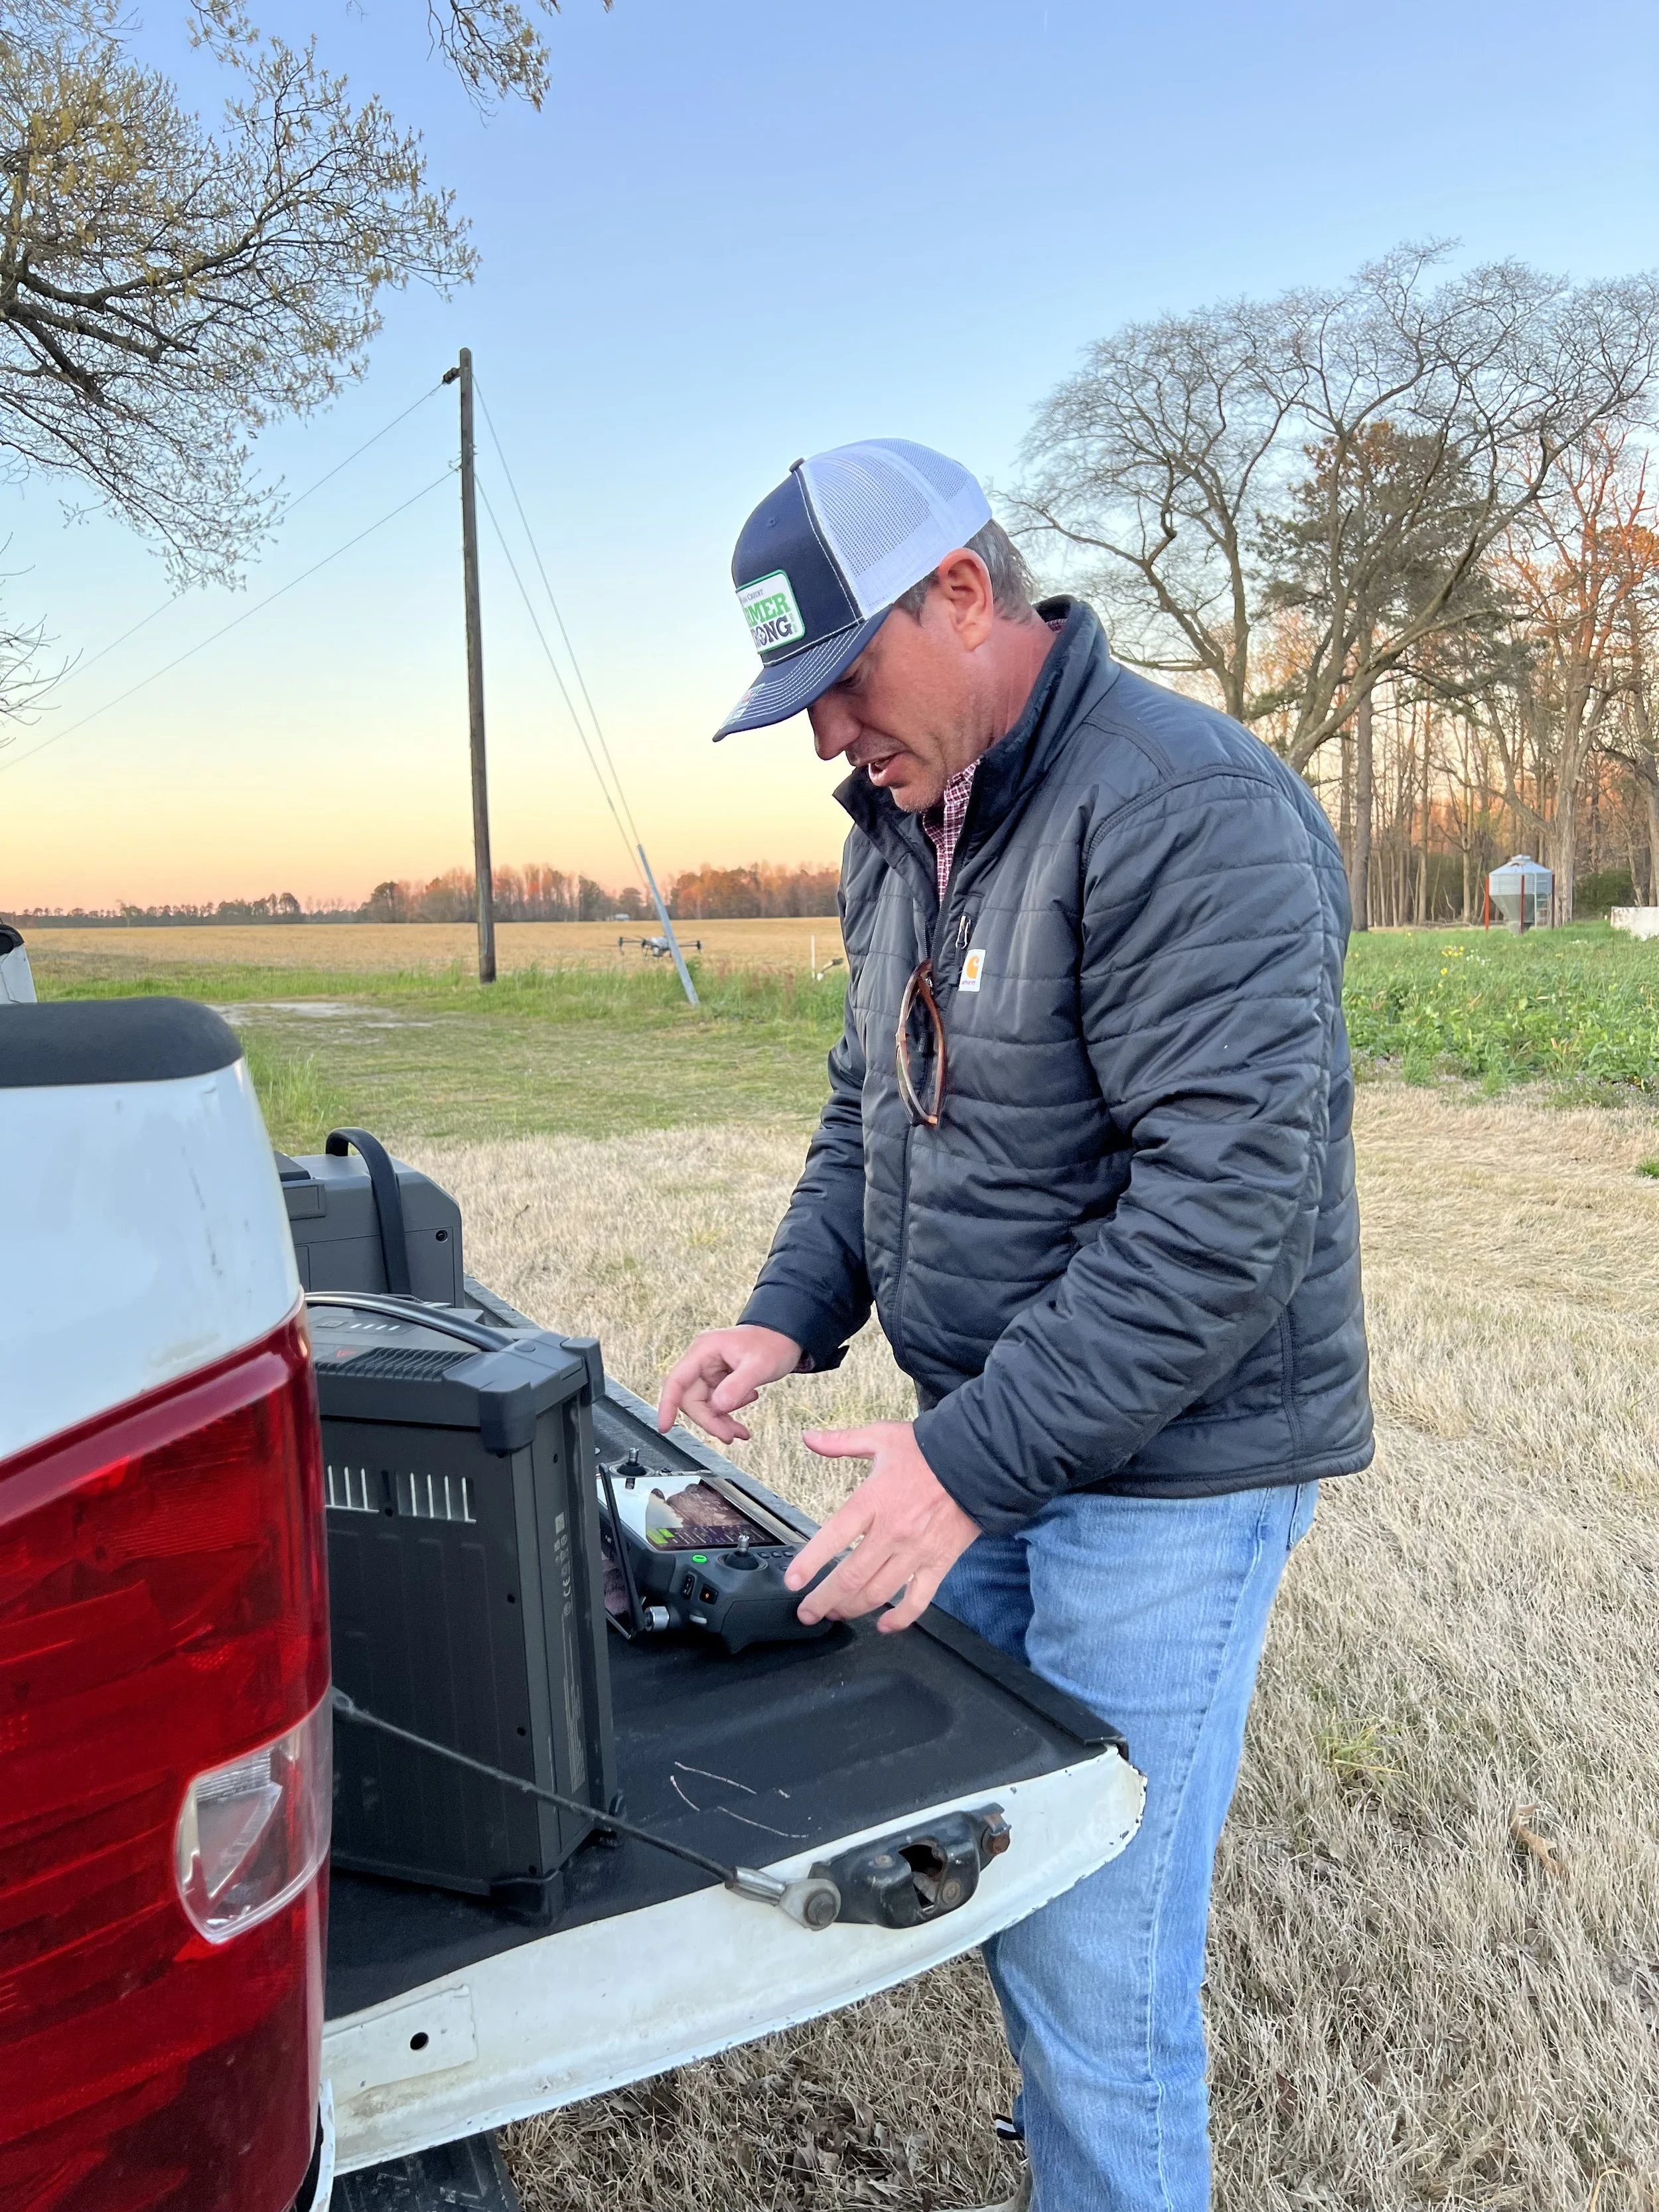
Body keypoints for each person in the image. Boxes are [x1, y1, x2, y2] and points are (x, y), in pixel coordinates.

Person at [657, 439, 1372, 2212]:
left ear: (963, 596)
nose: (825, 735)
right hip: (985, 1441)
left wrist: (959, 1463)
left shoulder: (1188, 807)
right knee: (1011, 1859)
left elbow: (1221, 1222)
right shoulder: (900, 827)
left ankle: (1102, 2133)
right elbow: (871, 1112)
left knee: (1100, 1969)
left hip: (1166, 1471)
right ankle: (1069, 2098)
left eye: (841, 681)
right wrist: (785, 1312)